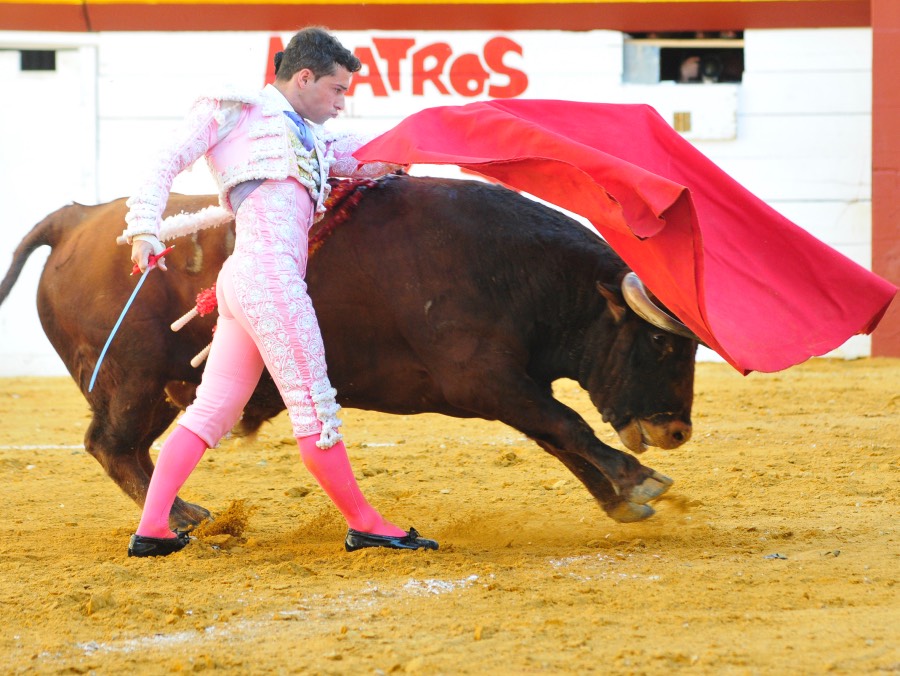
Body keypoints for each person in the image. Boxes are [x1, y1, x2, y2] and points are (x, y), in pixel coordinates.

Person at [121, 26, 438, 557]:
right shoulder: (237, 108)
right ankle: (364, 522)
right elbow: (166, 158)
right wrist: (144, 227)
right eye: (337, 90)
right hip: (269, 281)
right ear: (305, 77)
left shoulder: (315, 139)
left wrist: (438, 142)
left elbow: (380, 155)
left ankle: (152, 527)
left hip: (249, 279)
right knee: (314, 406)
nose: (342, 103)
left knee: (212, 409)